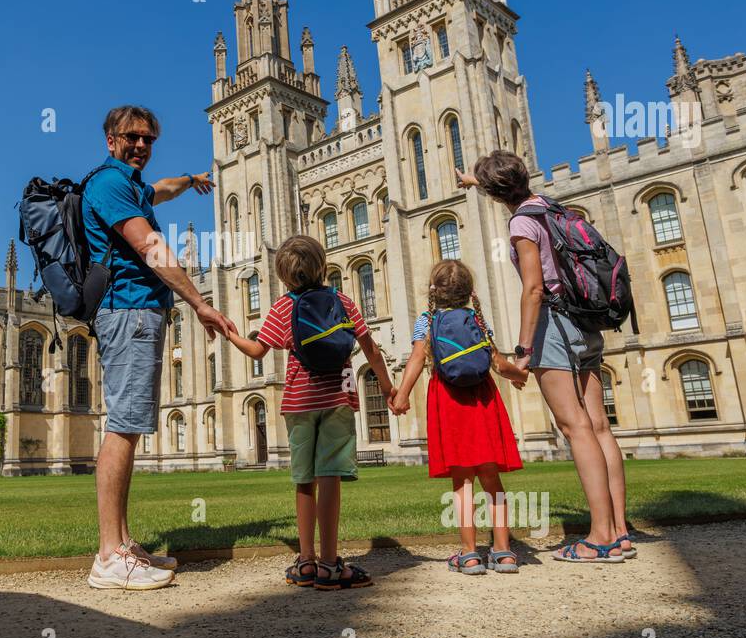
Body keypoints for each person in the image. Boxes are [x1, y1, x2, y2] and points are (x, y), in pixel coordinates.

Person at [82, 105, 237, 589]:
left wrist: (190, 180)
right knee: (124, 427)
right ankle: (108, 555)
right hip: (128, 310)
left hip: (139, 313)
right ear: (111, 140)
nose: (141, 145)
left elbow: (160, 190)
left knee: (128, 425)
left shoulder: (131, 185)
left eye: (149, 138)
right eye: (132, 137)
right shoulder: (109, 185)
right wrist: (199, 303)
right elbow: (150, 247)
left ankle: (123, 543)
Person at [458, 150, 633, 563]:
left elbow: (534, 288)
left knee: (575, 428)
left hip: (554, 325)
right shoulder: (550, 207)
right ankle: (621, 532)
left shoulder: (521, 222)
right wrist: (474, 181)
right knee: (599, 426)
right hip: (586, 322)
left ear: (496, 192)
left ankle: (599, 537)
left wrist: (522, 349)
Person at [225, 235, 393, 590]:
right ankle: (331, 565)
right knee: (330, 476)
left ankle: (305, 562)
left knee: (304, 480)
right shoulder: (343, 301)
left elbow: (257, 351)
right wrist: (389, 388)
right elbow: (371, 349)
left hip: (299, 403)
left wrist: (231, 334)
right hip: (338, 398)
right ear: (322, 265)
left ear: (285, 277)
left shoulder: (282, 307)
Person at [390, 260, 529, 574]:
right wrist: (518, 375)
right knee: (492, 479)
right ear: (469, 292)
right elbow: (497, 361)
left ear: (433, 291)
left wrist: (401, 394)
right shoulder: (476, 320)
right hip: (483, 398)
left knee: (462, 481)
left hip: (448, 399)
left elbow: (415, 359)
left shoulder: (426, 320)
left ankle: (469, 553)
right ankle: (504, 552)